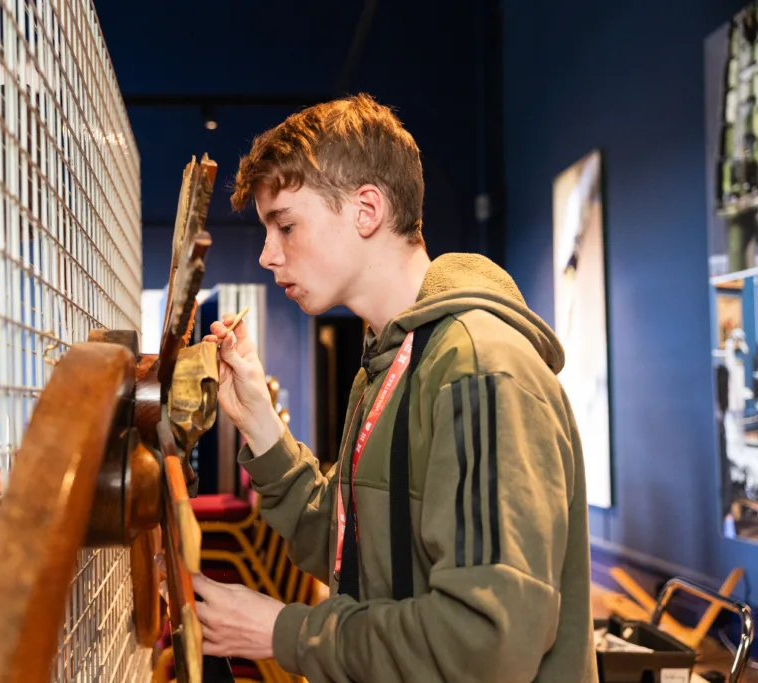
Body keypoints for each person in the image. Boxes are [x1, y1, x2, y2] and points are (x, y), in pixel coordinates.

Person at [184, 93, 598, 682]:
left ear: (366, 210)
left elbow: (484, 643)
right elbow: (353, 543)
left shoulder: (479, 367)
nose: (267, 254)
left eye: (285, 226)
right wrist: (258, 421)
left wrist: (283, 631)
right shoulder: (388, 360)